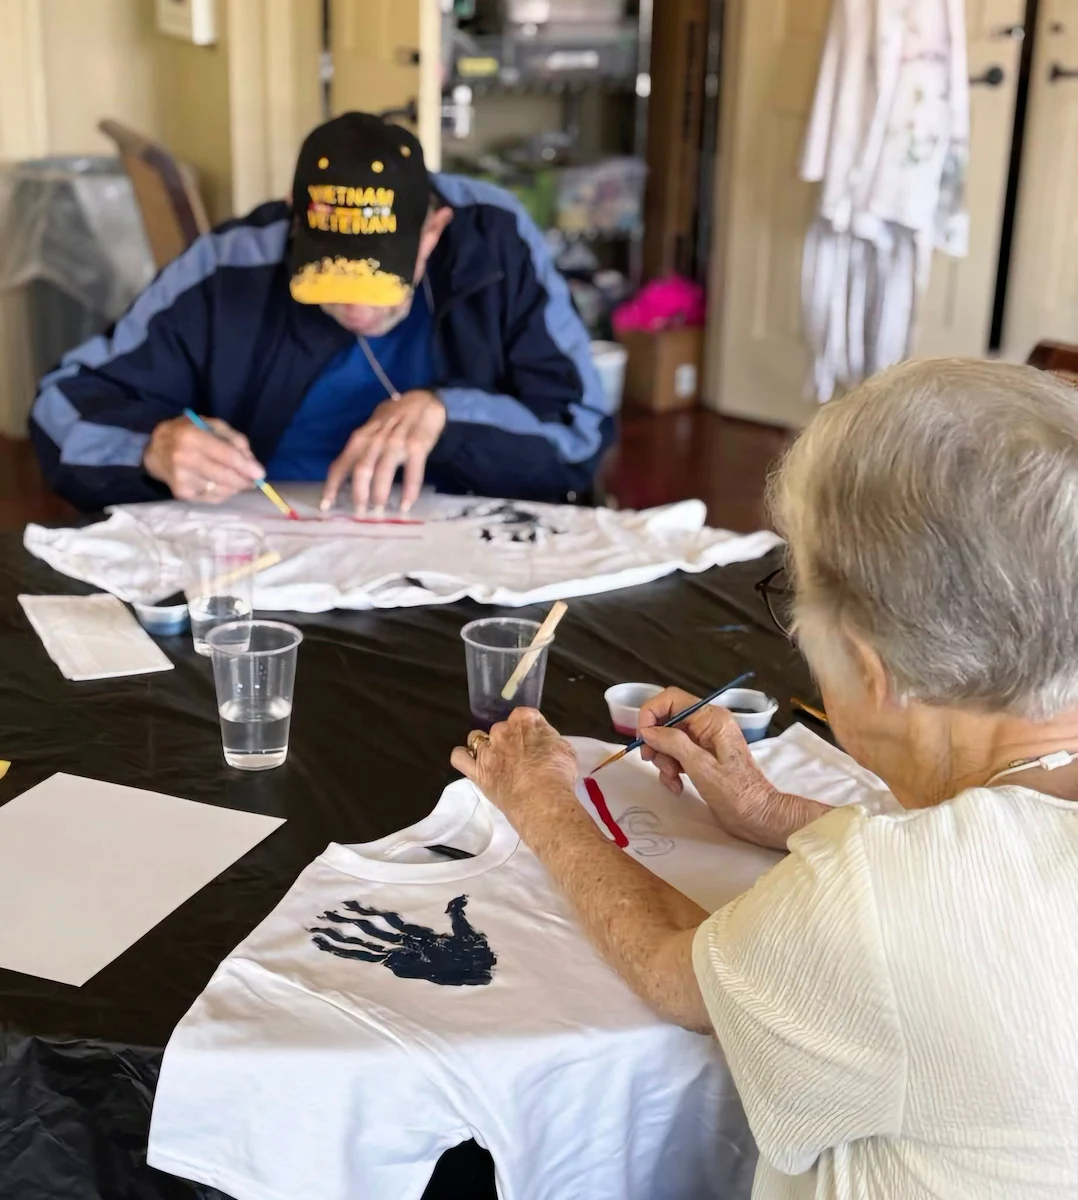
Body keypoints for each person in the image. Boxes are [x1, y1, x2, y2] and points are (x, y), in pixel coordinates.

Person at [452, 358, 1078, 1198]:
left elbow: (680, 972)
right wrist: (773, 808)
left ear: (868, 663)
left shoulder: (890, 896)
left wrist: (542, 802)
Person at [29, 112, 611, 515]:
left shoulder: (495, 243)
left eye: (381, 282)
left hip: (458, 555)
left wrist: (448, 414)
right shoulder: (233, 263)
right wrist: (150, 447)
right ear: (294, 221)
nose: (357, 307)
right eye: (330, 280)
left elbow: (579, 440)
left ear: (432, 233)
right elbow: (62, 405)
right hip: (270, 549)